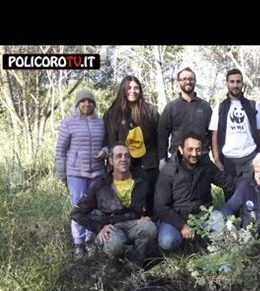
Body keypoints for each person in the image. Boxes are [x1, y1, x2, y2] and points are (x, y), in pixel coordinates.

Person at [71, 143, 157, 266]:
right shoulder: (100, 185)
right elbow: (76, 213)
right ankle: (114, 265)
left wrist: (149, 217)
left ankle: (135, 264)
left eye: (127, 156)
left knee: (150, 228)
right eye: (119, 156)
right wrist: (98, 227)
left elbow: (153, 203)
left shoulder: (142, 179)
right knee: (115, 245)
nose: (123, 159)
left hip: (134, 224)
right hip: (111, 227)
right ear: (111, 160)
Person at [154, 132, 235, 252]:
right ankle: (184, 246)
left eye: (198, 150)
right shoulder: (169, 171)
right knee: (167, 241)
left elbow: (227, 184)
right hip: (177, 217)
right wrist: (182, 225)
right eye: (190, 149)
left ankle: (205, 244)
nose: (194, 154)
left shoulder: (206, 166)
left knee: (220, 220)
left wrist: (249, 182)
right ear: (181, 150)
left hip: (203, 215)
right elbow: (160, 207)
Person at [55, 88, 107, 259]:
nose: (86, 104)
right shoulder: (68, 122)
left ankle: (90, 241)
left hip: (97, 172)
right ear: (77, 104)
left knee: (93, 209)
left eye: (90, 101)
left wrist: (105, 151)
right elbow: (60, 150)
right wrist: (62, 174)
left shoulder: (100, 123)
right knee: (78, 208)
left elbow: (107, 144)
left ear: (94, 104)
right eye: (83, 101)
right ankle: (78, 244)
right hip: (75, 173)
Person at [103, 75, 160, 216]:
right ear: (123, 89)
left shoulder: (151, 111)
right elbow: (109, 141)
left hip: (148, 166)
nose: (132, 91)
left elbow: (160, 138)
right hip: (123, 167)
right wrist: (111, 167)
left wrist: (161, 160)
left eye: (136, 88)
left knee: (148, 203)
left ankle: (150, 232)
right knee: (124, 204)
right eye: (129, 88)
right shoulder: (111, 114)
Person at [209, 68, 260, 200]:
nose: (235, 85)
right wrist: (217, 159)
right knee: (230, 194)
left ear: (242, 84)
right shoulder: (220, 108)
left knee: (252, 193)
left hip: (250, 156)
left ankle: (251, 220)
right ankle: (232, 220)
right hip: (228, 159)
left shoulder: (253, 106)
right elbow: (214, 135)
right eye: (232, 82)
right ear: (227, 83)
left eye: (238, 82)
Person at [158, 67, 212, 168]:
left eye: (191, 79)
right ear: (178, 82)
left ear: (195, 81)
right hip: (177, 159)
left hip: (201, 158)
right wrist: (162, 159)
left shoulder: (204, 106)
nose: (188, 81)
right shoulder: (171, 107)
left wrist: (216, 158)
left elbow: (213, 134)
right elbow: (162, 135)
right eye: (184, 79)